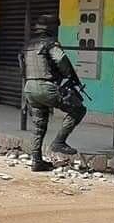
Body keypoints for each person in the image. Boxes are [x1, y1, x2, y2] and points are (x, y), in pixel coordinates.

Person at [22, 14, 87, 172]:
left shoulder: (27, 45)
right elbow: (61, 60)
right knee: (78, 109)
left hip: (29, 87)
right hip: (46, 87)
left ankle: (36, 161)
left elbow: (23, 67)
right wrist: (70, 77)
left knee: (38, 126)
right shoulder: (50, 43)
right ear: (51, 27)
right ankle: (59, 142)